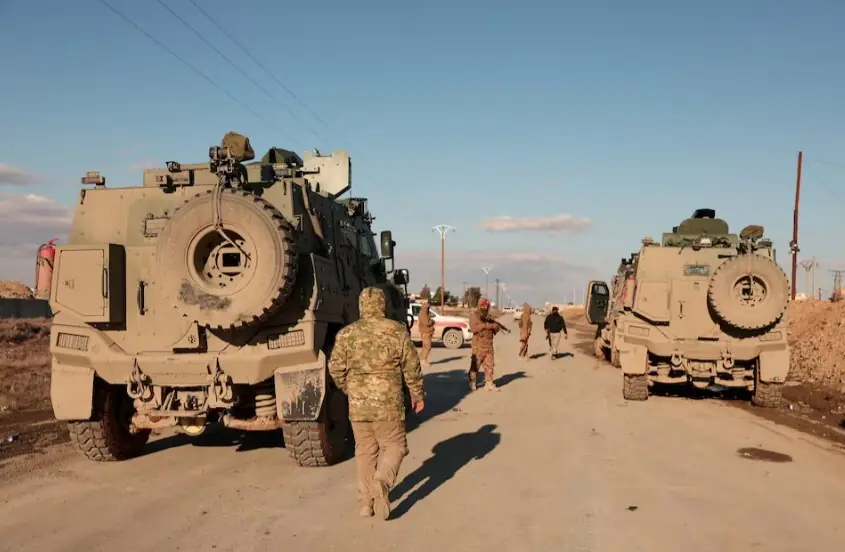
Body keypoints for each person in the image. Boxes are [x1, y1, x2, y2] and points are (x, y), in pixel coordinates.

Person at [328, 287, 426, 520]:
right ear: (383, 305)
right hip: (388, 404)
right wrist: (417, 394)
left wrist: (349, 389)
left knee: (364, 452)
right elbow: (412, 367)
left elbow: (335, 368)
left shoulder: (346, 334)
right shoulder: (397, 331)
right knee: (396, 446)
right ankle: (381, 482)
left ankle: (365, 504)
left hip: (358, 406)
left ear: (362, 306)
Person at [468, 298, 502, 392]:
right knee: (475, 366)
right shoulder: (474, 315)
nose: (485, 307)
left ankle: (489, 383)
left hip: (489, 345)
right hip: (478, 345)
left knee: (490, 366)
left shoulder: (489, 316)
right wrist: (487, 326)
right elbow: (474, 328)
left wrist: (495, 327)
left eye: (486, 306)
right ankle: (472, 382)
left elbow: (495, 330)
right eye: (483, 306)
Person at [417, 300, 435, 368]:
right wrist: (432, 321)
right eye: (428, 308)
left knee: (425, 347)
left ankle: (422, 360)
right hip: (425, 332)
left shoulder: (425, 313)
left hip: (427, 332)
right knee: (428, 347)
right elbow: (427, 323)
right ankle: (423, 360)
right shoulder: (423, 314)